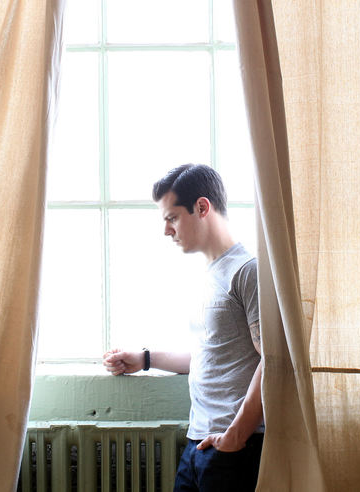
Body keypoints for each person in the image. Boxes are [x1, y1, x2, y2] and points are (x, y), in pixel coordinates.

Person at [103, 163, 263, 492]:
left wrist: (236, 435)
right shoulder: (209, 274)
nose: (166, 230)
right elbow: (211, 354)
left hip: (233, 446)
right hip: (198, 441)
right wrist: (145, 359)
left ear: (202, 207)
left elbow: (273, 359)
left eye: (172, 217)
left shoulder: (248, 271)